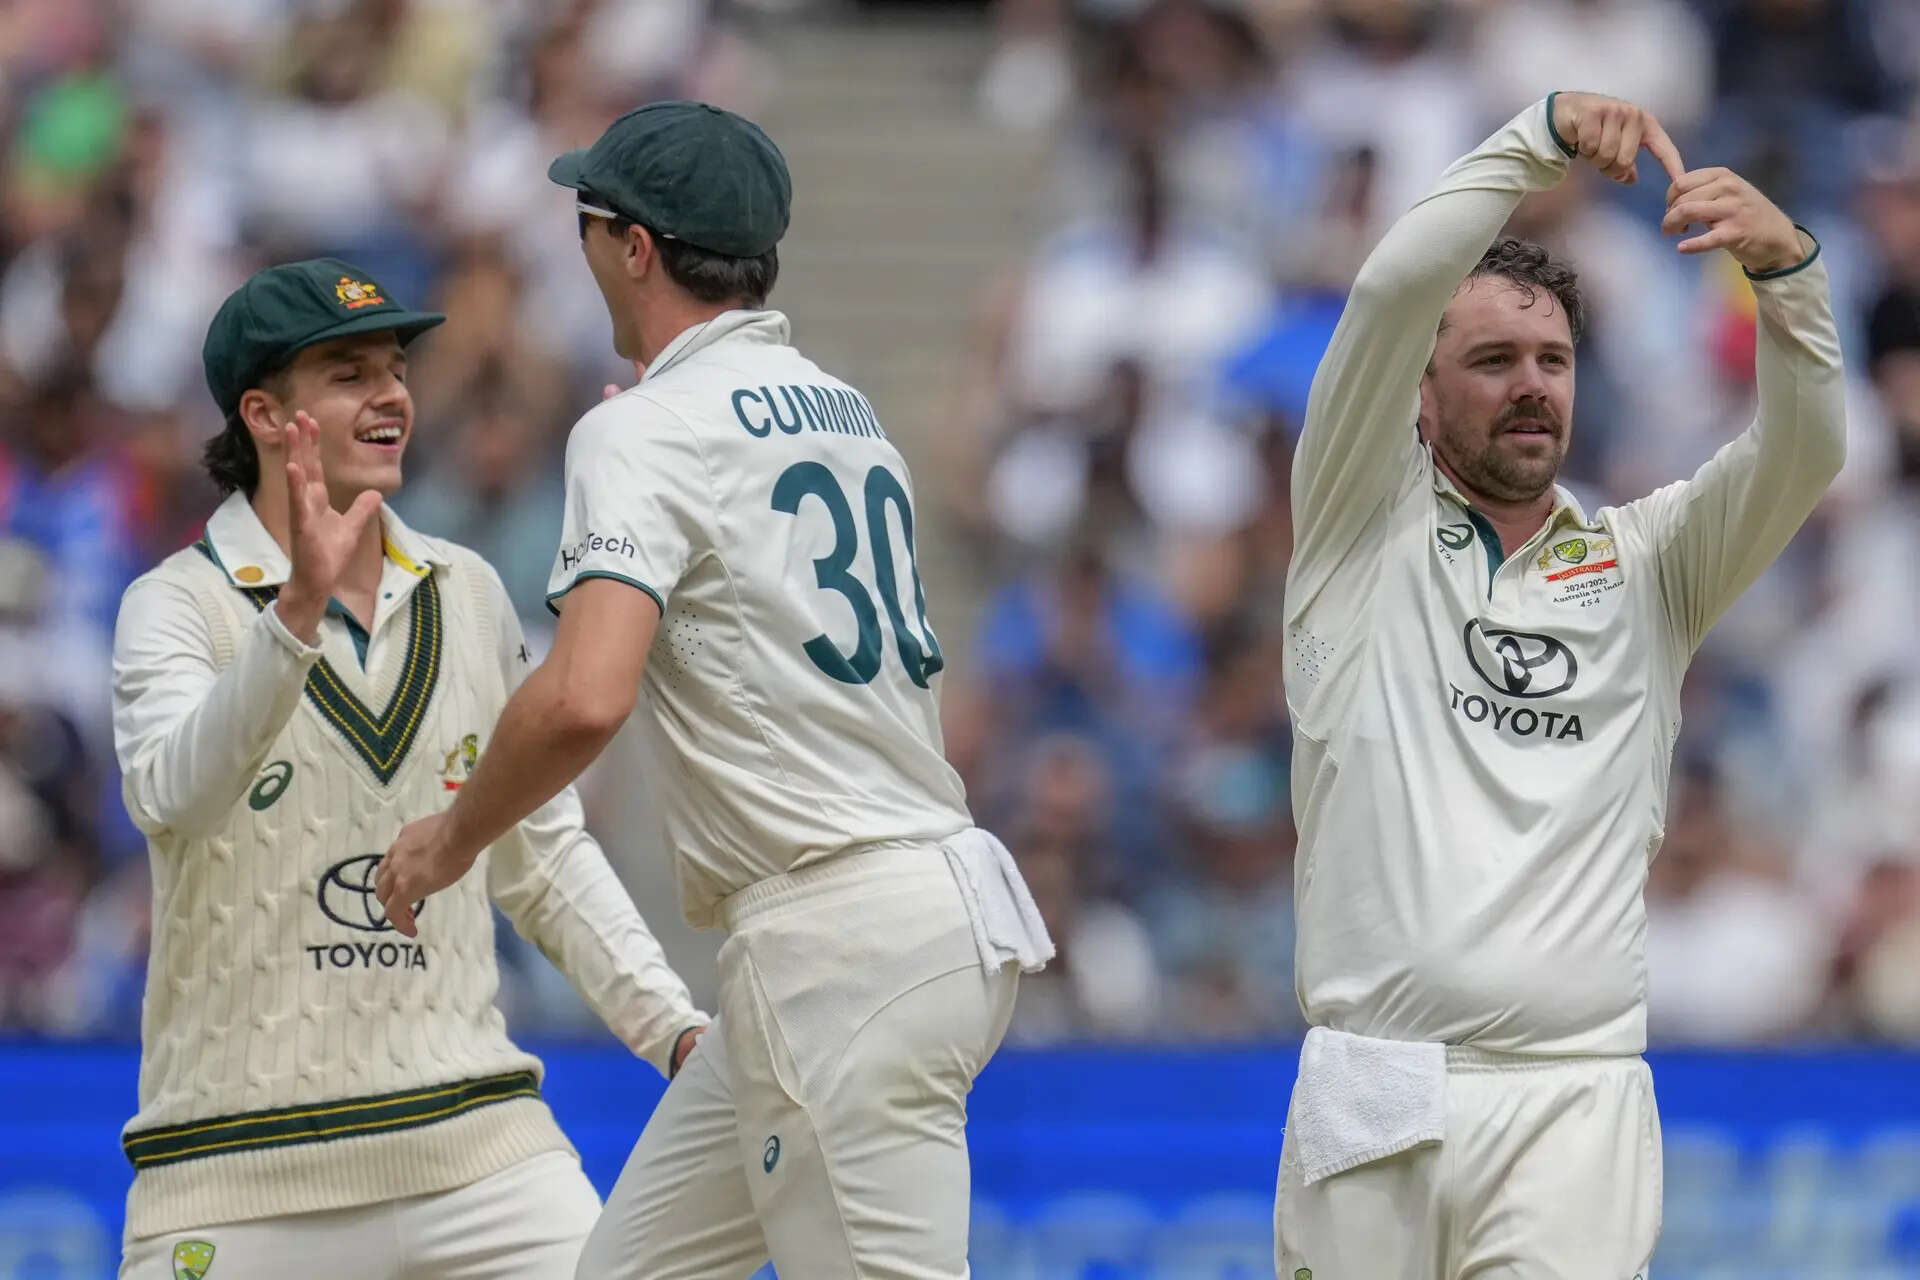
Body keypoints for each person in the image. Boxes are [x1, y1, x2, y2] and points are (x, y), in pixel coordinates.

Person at [374, 101, 1053, 1279]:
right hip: (910, 911)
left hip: (835, 942)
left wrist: (450, 839)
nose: (583, 248)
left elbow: (585, 695)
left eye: (590, 222)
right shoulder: (849, 412)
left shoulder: (643, 432)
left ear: (636, 247)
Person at [1272, 92, 1843, 1277]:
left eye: (1553, 360)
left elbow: (1806, 450)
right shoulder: (1354, 526)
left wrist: (1787, 274)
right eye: (1492, 360)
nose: (1532, 385)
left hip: (1573, 1097)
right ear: (1419, 392)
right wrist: (1531, 138)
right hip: (1372, 1077)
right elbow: (1388, 293)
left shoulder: (1650, 563)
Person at [111, 258, 707, 1279]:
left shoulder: (468, 591)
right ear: (264, 413)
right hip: (235, 1175)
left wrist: (677, 1033)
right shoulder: (175, 604)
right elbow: (172, 794)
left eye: (396, 368)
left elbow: (542, 856)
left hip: (479, 1155)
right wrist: (292, 617)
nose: (391, 394)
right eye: (350, 374)